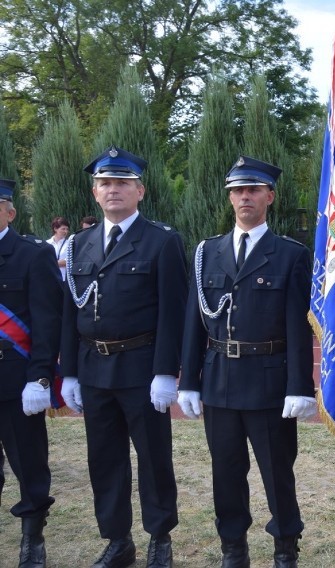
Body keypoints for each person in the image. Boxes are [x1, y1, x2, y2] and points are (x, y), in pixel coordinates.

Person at [178, 156, 316, 568]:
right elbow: (194, 321)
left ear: (269, 197)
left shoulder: (290, 254)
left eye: (253, 190)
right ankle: (233, 546)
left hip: (270, 381)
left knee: (277, 473)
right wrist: (188, 379)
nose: (244, 197)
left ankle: (285, 544)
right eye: (237, 191)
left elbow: (298, 326)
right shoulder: (207, 253)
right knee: (226, 472)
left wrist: (299, 386)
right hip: (219, 380)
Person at [60, 145, 187, 568]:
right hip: (94, 368)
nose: (113, 190)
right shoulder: (78, 244)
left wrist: (166, 372)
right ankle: (117, 540)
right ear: (95, 193)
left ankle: (159, 538)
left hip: (141, 368)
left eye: (121, 183)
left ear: (140, 191)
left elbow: (173, 312)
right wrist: (69, 373)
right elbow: (69, 311)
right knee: (104, 459)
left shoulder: (162, 241)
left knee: (153, 457)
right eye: (105, 183)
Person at [0, 178, 63, 567]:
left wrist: (39, 377)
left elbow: (46, 320)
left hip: (14, 380)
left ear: (9, 211)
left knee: (29, 464)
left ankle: (32, 538)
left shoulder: (30, 254)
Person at [46, 216, 70, 281]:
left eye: (67, 229)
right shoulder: (47, 243)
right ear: (55, 229)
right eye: (63, 229)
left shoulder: (69, 243)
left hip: (65, 279)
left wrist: (50, 263)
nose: (66, 231)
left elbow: (69, 261)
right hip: (50, 279)